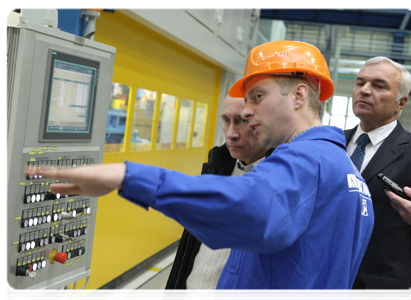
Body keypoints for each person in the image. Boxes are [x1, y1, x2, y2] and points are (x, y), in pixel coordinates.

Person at [26, 40, 374, 300]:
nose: (247, 111)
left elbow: (249, 207)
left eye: (257, 96)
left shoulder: (305, 161)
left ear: (299, 96)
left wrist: (128, 177)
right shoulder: (349, 176)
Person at [162, 95, 270, 300]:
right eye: (226, 120)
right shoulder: (218, 168)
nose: (231, 134)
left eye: (241, 121)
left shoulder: (278, 182)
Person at [344, 56, 411, 300]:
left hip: (381, 290)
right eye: (360, 83)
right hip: (322, 283)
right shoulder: (330, 143)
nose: (364, 90)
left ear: (401, 102)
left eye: (379, 85)